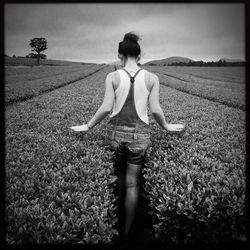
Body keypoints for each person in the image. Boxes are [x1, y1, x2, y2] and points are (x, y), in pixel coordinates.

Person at [70, 32, 185, 243]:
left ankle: (114, 220)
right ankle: (127, 230)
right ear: (139, 56)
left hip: (114, 135)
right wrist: (167, 126)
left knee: (119, 175)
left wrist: (88, 126)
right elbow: (156, 109)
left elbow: (106, 108)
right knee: (133, 183)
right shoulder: (152, 78)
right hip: (140, 136)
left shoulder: (112, 76)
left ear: (120, 56)